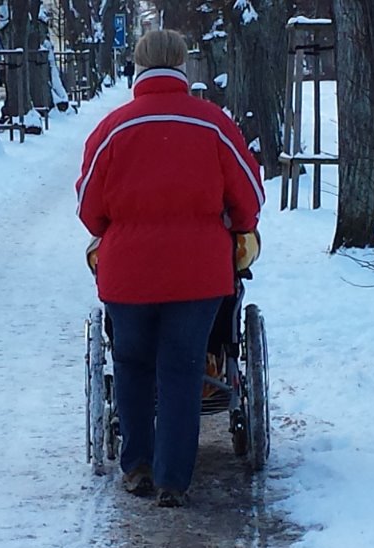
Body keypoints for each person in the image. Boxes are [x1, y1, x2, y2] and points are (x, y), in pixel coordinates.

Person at [76, 30, 264, 508]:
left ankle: (137, 465)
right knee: (182, 369)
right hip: (197, 274)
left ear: (138, 68)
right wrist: (238, 225)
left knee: (132, 364)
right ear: (183, 66)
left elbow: (89, 208)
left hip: (128, 274)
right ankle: (173, 480)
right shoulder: (213, 123)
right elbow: (249, 194)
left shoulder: (113, 128)